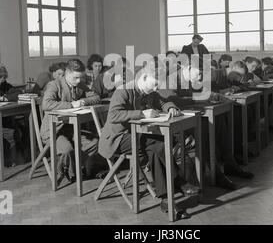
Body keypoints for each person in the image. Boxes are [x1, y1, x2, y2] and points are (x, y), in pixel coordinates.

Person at [97, 66, 200, 219]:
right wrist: (141, 113)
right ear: (144, 78)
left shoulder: (149, 91)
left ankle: (167, 200)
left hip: (138, 138)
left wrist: (171, 108)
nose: (157, 87)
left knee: (157, 147)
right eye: (155, 84)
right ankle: (179, 181)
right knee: (156, 142)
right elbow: (113, 115)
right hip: (117, 138)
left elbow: (163, 101)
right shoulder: (123, 90)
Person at [161, 63, 254, 191]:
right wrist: (200, 98)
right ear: (187, 68)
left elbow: (202, 91)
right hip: (175, 124)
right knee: (205, 128)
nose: (201, 77)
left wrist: (214, 95)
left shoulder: (191, 79)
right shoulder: (170, 80)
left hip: (192, 118)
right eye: (199, 73)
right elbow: (173, 100)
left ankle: (230, 164)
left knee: (220, 119)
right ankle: (217, 174)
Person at [40, 59, 101, 184]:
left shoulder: (79, 85)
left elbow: (96, 97)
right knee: (67, 149)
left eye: (80, 78)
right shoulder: (54, 85)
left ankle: (73, 167)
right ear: (67, 73)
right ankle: (67, 170)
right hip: (53, 130)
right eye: (76, 78)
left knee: (95, 142)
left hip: (70, 129)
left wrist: (83, 101)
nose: (79, 81)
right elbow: (46, 104)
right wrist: (71, 105)